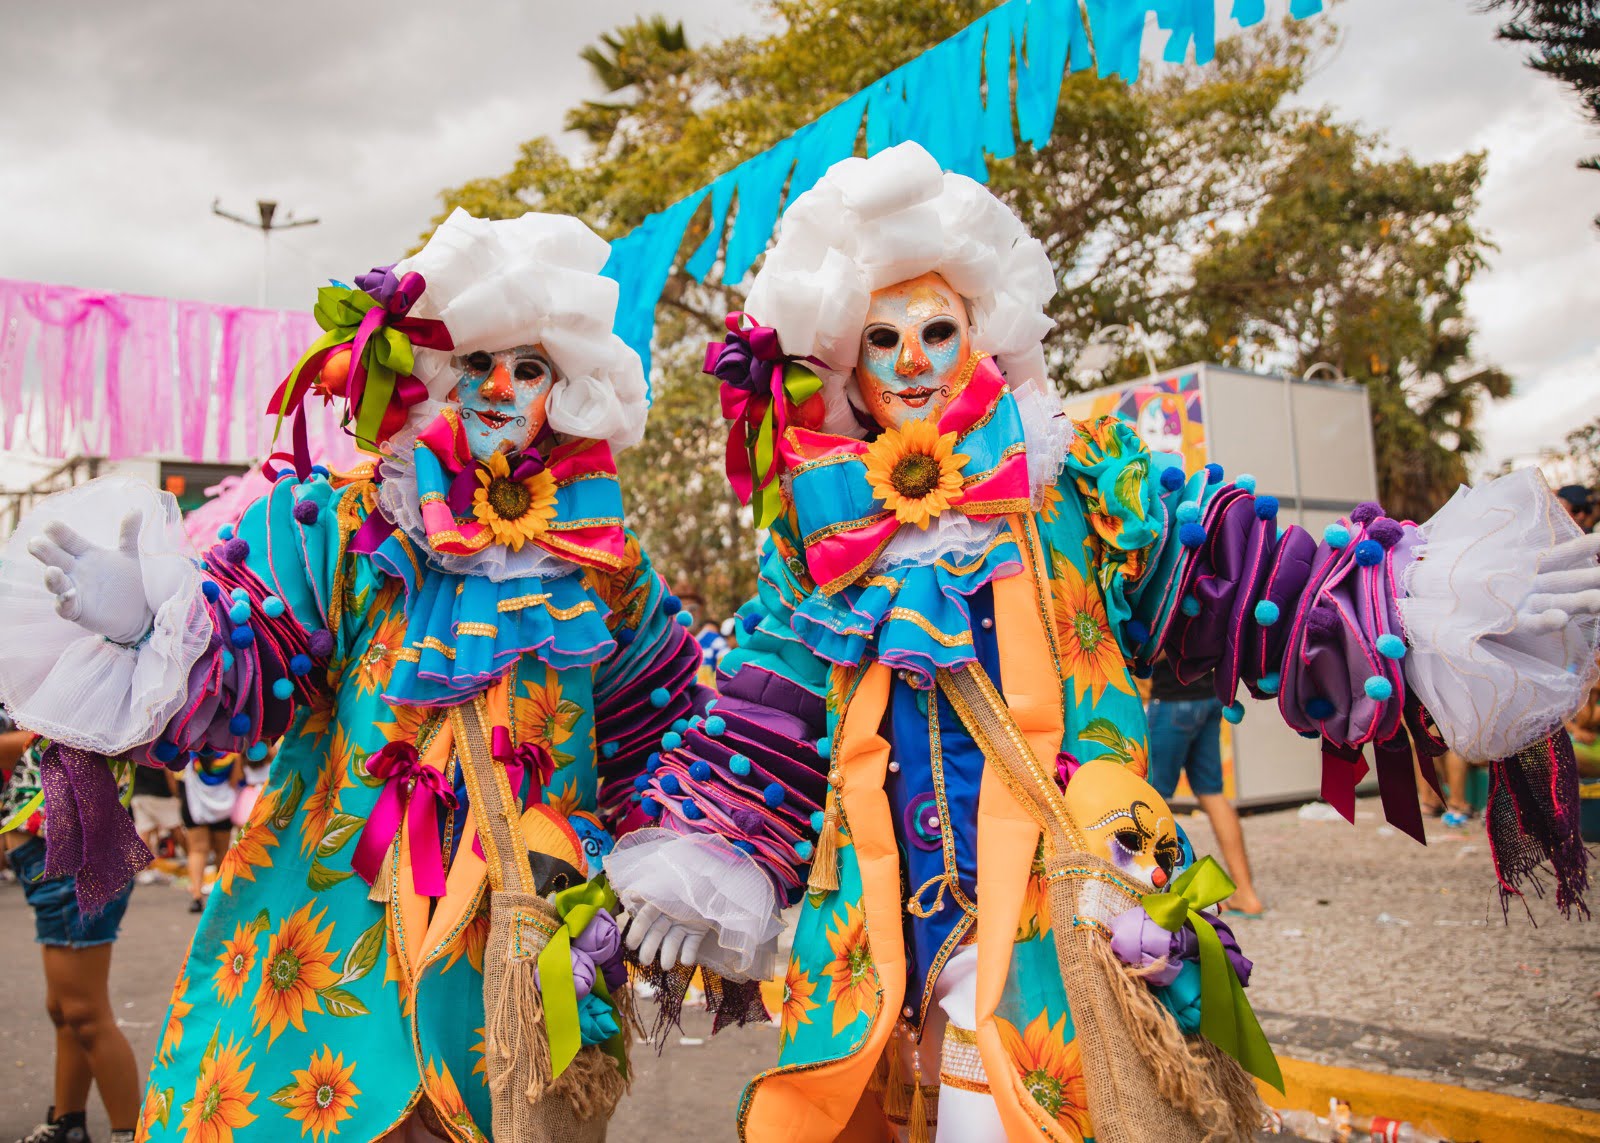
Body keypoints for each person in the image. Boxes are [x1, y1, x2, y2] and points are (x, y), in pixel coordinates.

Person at [610, 142, 1600, 1141]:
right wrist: (709, 849)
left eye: (938, 329)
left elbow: (1237, 571)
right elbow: (768, 711)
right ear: (850, 371)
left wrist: (1405, 606)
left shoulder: (1079, 485)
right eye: (882, 338)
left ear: (982, 341)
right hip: (871, 934)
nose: (911, 359)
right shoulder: (819, 534)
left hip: (1066, 912)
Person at [0, 211, 712, 1143]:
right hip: (338, 926)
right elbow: (248, 662)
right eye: (476, 364)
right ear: (424, 375)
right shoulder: (337, 526)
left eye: (529, 369)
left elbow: (662, 726)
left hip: (525, 942)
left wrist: (685, 857)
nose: (501, 388)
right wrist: (156, 627)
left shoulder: (606, 564)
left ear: (564, 392)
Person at [4, 737, 141, 1143]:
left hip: (72, 863)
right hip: (57, 863)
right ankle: (68, 1123)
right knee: (65, 1009)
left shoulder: (89, 690)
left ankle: (129, 1132)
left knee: (84, 1012)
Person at [1145, 658, 1265, 915]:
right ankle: (1246, 894)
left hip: (1172, 700)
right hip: (1210, 698)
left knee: (1149, 802)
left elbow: (1159, 647)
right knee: (1213, 795)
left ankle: (1152, 897)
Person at [177, 752, 239, 912]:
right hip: (223, 806)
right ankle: (221, 897)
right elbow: (235, 778)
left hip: (194, 803)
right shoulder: (231, 751)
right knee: (222, 851)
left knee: (197, 850)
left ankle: (197, 896)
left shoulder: (191, 749)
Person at [128, 762, 180, 878]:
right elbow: (169, 772)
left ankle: (141, 867)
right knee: (176, 826)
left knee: (144, 830)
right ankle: (190, 855)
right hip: (161, 794)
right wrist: (177, 794)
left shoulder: (135, 746)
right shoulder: (162, 746)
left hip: (138, 794)